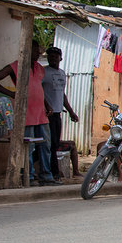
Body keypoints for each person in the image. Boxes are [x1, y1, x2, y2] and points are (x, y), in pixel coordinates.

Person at [0, 40, 57, 186]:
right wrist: (11, 93)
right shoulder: (16, 66)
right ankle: (28, 177)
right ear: (26, 51)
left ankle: (46, 176)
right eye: (35, 50)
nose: (38, 53)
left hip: (40, 113)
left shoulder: (39, 68)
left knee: (45, 146)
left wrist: (47, 104)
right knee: (28, 148)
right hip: (26, 114)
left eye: (38, 51)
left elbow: (38, 88)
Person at [42, 46, 79, 178]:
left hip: (57, 113)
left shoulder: (62, 73)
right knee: (50, 144)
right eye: (50, 56)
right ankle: (53, 173)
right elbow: (39, 92)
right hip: (47, 114)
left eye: (55, 56)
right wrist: (46, 106)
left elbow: (62, 95)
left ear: (60, 58)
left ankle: (53, 172)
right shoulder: (43, 72)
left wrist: (71, 112)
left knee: (55, 143)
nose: (52, 58)